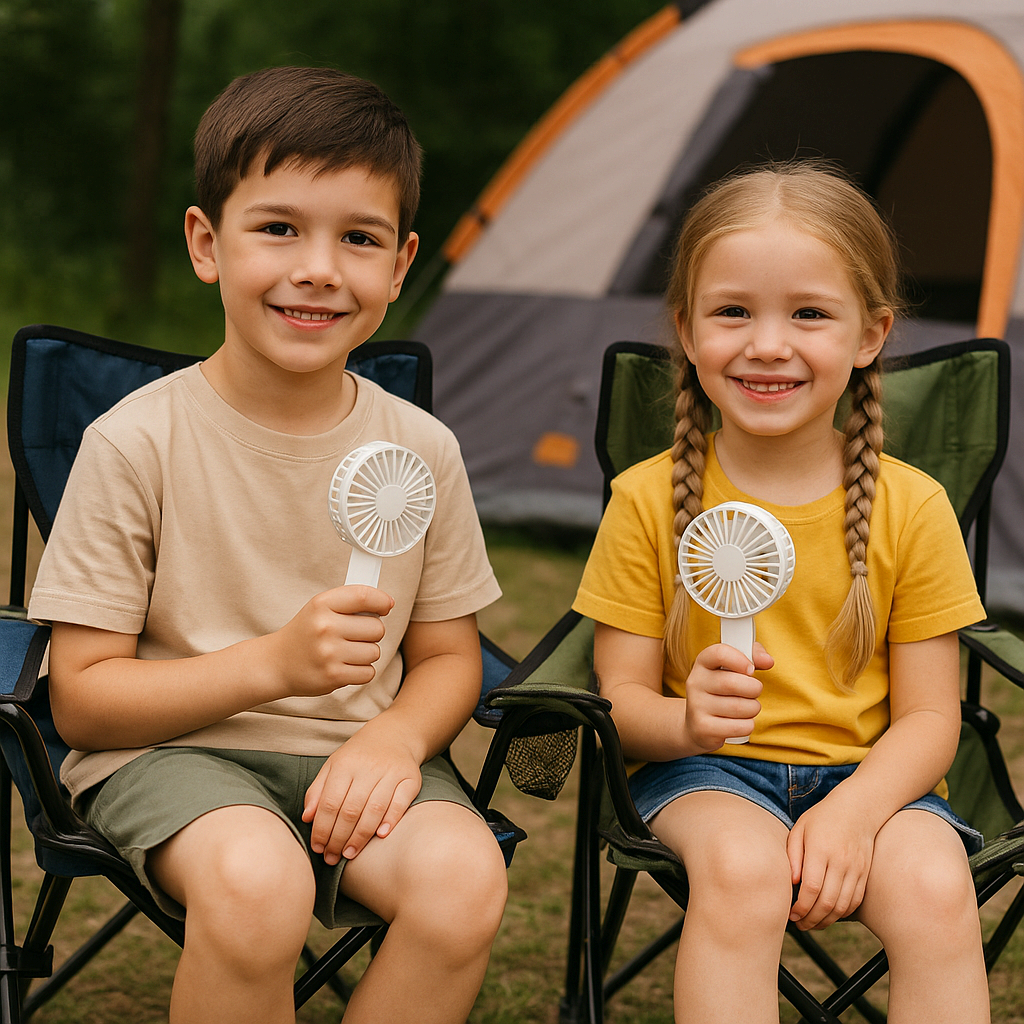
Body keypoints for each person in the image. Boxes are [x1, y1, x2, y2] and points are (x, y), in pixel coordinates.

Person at [29, 66, 507, 1024]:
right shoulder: (136, 441)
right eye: (280, 228)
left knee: (464, 883)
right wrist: (276, 663)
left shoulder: (420, 449)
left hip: (359, 752)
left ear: (401, 266)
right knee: (260, 883)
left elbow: (451, 656)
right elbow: (82, 702)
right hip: (170, 752)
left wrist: (398, 736)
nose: (320, 268)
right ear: (208, 243)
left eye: (359, 240)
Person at [572, 161, 990, 1024]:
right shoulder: (648, 500)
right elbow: (620, 700)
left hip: (872, 777)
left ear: (870, 334)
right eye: (733, 312)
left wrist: (855, 817)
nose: (768, 344)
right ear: (686, 330)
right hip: (702, 776)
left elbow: (929, 719)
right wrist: (687, 721)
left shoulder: (913, 507)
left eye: (808, 313)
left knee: (937, 886)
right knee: (744, 869)